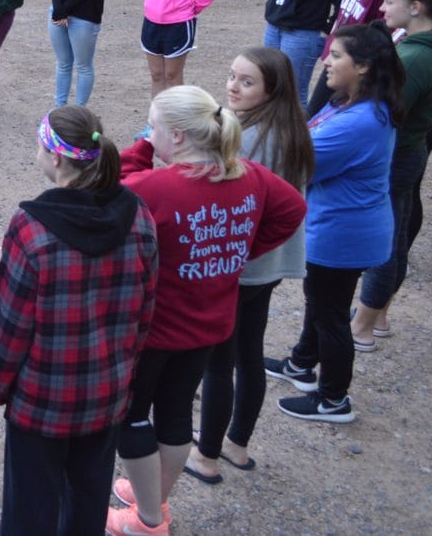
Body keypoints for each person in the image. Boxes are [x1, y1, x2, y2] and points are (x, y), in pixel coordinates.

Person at [107, 86, 305, 536]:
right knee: (175, 412)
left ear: (176, 136)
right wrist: (240, 252)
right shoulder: (248, 174)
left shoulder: (155, 187)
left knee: (133, 415)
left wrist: (139, 148)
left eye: (152, 126)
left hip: (154, 328)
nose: (148, 133)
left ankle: (148, 520)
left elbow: (115, 188)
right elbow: (293, 207)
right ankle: (154, 497)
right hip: (210, 322)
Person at [0, 106, 156, 535]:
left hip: (42, 403)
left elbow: (9, 324)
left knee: (29, 512)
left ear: (56, 157)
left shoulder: (32, 228)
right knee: (87, 505)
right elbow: (145, 312)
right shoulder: (138, 216)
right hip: (106, 394)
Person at [266, 22, 402, 425]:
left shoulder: (359, 121)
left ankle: (333, 399)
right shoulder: (349, 102)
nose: (326, 60)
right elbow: (307, 135)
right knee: (322, 301)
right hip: (338, 226)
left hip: (343, 234)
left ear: (362, 66)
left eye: (337, 55)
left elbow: (298, 161)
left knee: (330, 313)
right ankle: (302, 363)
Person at [187, 48, 311, 484]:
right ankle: (237, 446)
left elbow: (224, 197)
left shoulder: (252, 138)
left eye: (246, 81)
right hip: (270, 264)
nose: (232, 87)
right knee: (249, 354)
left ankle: (206, 457)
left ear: (271, 90)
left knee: (219, 363)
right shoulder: (291, 129)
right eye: (231, 76)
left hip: (241, 265)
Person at [350, 0, 432, 351]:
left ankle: (362, 326)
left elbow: (384, 115)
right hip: (407, 151)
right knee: (392, 233)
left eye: (390, 1)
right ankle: (375, 317)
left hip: (397, 155)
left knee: (385, 240)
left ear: (415, 8)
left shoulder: (414, 57)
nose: (381, 7)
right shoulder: (422, 44)